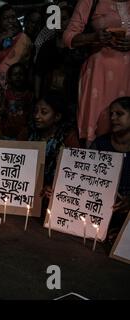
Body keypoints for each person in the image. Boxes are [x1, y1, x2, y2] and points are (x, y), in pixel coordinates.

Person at [63, 0, 130, 147]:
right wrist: (93, 37)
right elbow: (68, 37)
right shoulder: (91, 1)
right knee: (102, 128)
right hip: (101, 77)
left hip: (127, 75)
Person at [0, 4, 32, 128]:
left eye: (13, 17)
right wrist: (1, 38)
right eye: (6, 18)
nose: (10, 21)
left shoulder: (22, 39)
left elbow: (26, 65)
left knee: (14, 122)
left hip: (15, 89)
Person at [23, 92, 80, 201]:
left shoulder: (68, 137)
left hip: (55, 197)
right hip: (27, 194)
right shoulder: (27, 133)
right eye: (35, 111)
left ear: (57, 116)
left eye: (44, 112)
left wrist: (56, 187)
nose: (37, 116)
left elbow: (75, 171)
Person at [91, 97, 130, 243]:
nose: (113, 118)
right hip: (100, 209)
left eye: (119, 114)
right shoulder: (100, 143)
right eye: (111, 114)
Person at [0, 62, 34, 140]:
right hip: (6, 131)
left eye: (21, 74)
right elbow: (0, 109)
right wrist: (1, 111)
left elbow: (31, 114)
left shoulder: (29, 95)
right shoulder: (6, 93)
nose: (18, 77)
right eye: (15, 74)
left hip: (22, 132)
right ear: (10, 77)